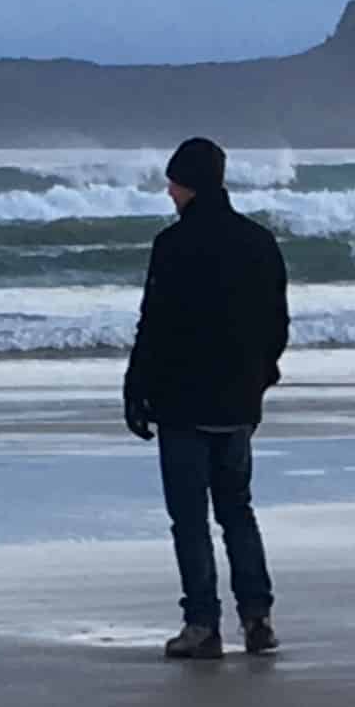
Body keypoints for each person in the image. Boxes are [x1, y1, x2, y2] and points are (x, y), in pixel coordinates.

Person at [123, 135, 294, 660]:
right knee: (237, 509)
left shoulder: (172, 246)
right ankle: (257, 617)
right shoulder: (259, 241)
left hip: (181, 402)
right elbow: (277, 324)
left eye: (174, 183)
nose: (170, 193)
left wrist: (136, 390)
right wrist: (260, 380)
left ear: (188, 184)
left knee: (191, 517)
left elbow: (155, 325)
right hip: (238, 402)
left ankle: (202, 624)